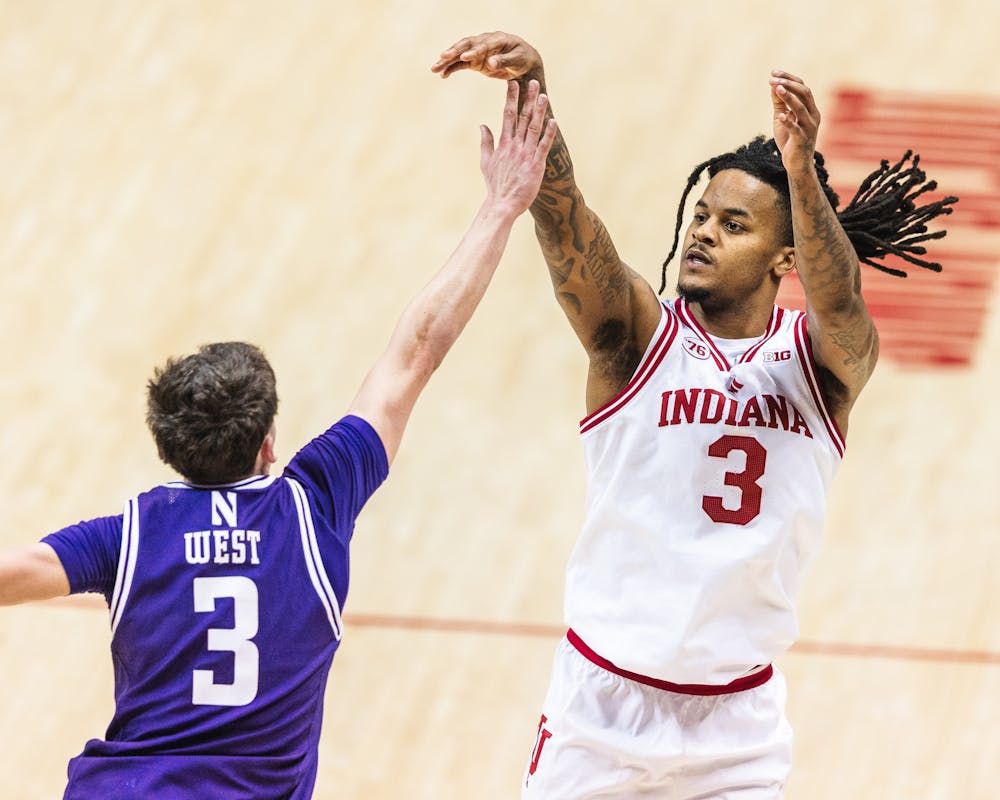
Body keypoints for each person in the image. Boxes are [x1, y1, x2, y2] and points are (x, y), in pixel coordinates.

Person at [433, 32, 957, 799]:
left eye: (735, 225)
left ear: (788, 258)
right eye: (702, 214)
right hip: (600, 714)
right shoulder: (636, 336)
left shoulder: (822, 370)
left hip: (736, 733)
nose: (703, 231)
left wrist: (804, 177)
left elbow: (841, 298)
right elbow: (568, 226)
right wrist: (537, 92)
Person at [0, 80, 557, 799]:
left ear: (166, 447)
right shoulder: (315, 504)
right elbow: (416, 351)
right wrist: (501, 207)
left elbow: (12, 573)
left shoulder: (126, 538)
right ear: (269, 442)